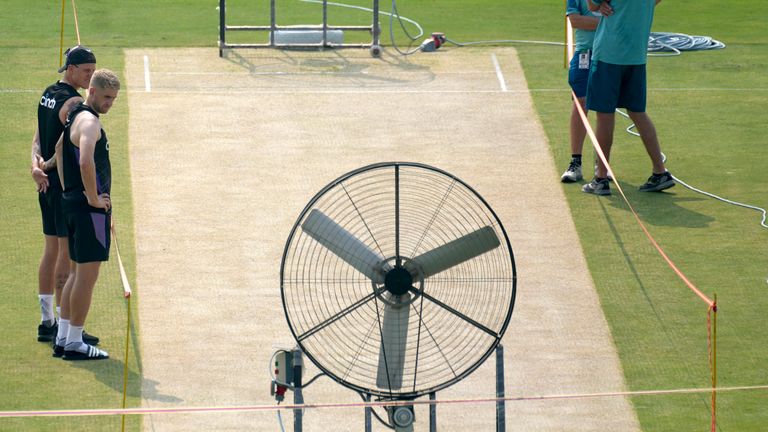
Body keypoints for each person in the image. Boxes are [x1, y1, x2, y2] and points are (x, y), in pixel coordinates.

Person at [32, 45, 99, 346]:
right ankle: (64, 325)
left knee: (50, 251)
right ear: (71, 69)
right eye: (87, 71)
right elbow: (61, 149)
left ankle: (47, 322)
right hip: (60, 186)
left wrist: (34, 165)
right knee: (66, 256)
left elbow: (37, 137)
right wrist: (44, 165)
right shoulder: (73, 104)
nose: (91, 76)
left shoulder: (47, 93)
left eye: (93, 71)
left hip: (44, 185)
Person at [53, 69, 121, 360]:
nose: (109, 103)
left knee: (75, 274)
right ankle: (76, 342)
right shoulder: (91, 123)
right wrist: (93, 199)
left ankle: (64, 337)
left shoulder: (75, 116)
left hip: (72, 205)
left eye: (114, 99)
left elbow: (59, 148)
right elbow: (84, 162)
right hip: (88, 210)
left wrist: (68, 191)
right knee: (86, 277)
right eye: (106, 97)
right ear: (91, 91)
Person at [582, 0, 674, 195]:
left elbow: (591, 6)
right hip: (636, 55)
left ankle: (601, 177)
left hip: (609, 54)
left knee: (605, 116)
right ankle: (660, 171)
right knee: (638, 112)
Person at [561, 0, 601, 183]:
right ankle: (575, 163)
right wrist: (609, 22)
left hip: (609, 54)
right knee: (580, 104)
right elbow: (575, 21)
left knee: (605, 109)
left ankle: (601, 166)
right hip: (585, 53)